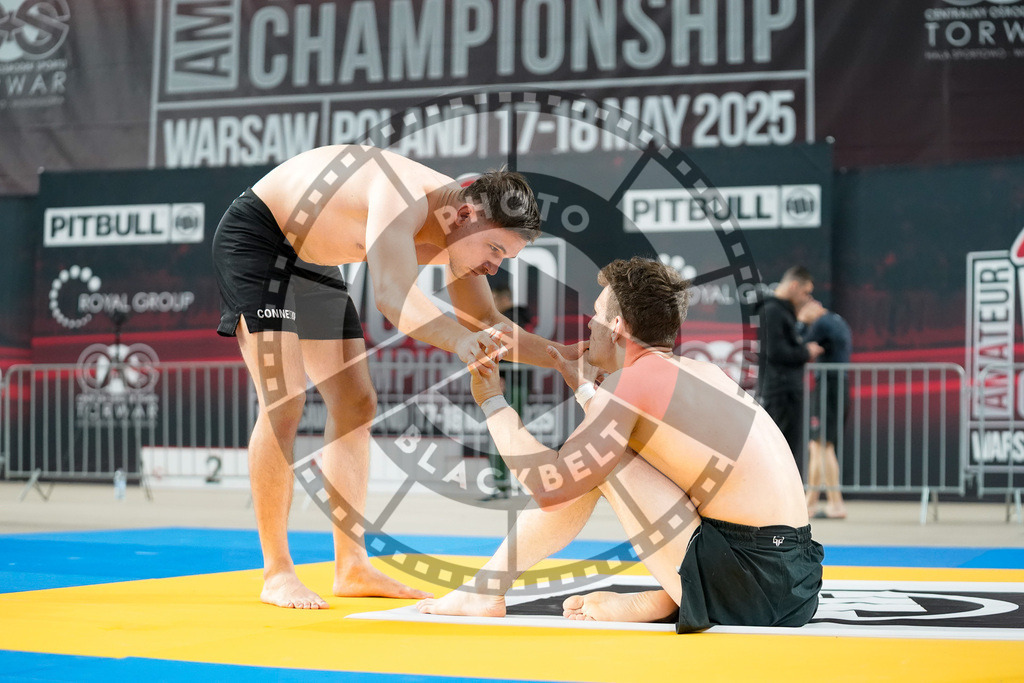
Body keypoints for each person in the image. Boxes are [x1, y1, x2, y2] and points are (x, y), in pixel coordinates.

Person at [211, 144, 583, 609]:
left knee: (355, 402)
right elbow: (391, 295)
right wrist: (458, 341)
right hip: (259, 239)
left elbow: (485, 321)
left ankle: (350, 566)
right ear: (466, 213)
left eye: (505, 256)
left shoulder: (457, 232)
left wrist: (564, 356)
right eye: (494, 249)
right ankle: (277, 572)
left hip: (311, 262)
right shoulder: (403, 192)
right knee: (284, 399)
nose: (495, 265)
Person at [417, 257, 823, 632]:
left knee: (595, 466)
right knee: (614, 459)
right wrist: (582, 388)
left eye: (595, 314)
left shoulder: (630, 384)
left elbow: (551, 485)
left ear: (616, 328)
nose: (589, 324)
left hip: (750, 585)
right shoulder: (703, 372)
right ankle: (673, 597)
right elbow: (646, 443)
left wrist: (492, 401)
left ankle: (486, 590)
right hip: (796, 583)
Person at [756, 266, 824, 474]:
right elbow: (776, 352)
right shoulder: (772, 311)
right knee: (779, 451)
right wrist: (807, 351)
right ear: (794, 285)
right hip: (780, 393)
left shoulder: (781, 311)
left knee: (786, 451)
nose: (807, 298)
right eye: (806, 292)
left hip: (786, 391)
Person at [799, 300, 852, 520]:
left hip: (829, 387)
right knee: (822, 445)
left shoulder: (821, 323)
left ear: (814, 306)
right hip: (838, 386)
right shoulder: (836, 321)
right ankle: (823, 503)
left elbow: (797, 346)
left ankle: (821, 503)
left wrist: (802, 321)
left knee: (819, 445)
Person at [480, 283, 533, 500]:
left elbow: (504, 351)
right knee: (508, 433)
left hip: (511, 383)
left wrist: (499, 376)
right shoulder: (518, 320)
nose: (491, 301)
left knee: (503, 433)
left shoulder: (507, 321)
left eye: (493, 296)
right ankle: (508, 483)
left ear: (503, 298)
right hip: (515, 382)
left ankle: (506, 483)